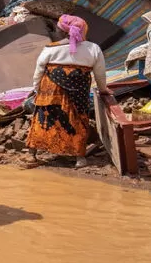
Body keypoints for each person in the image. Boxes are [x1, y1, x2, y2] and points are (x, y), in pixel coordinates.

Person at [27, 15, 111, 168]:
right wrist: (103, 90)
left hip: (50, 92)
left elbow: (38, 71)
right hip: (78, 94)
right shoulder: (93, 49)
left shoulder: (50, 49)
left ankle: (32, 154)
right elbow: (100, 74)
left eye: (58, 29)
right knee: (77, 121)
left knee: (43, 119)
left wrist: (36, 89)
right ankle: (80, 158)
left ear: (62, 32)